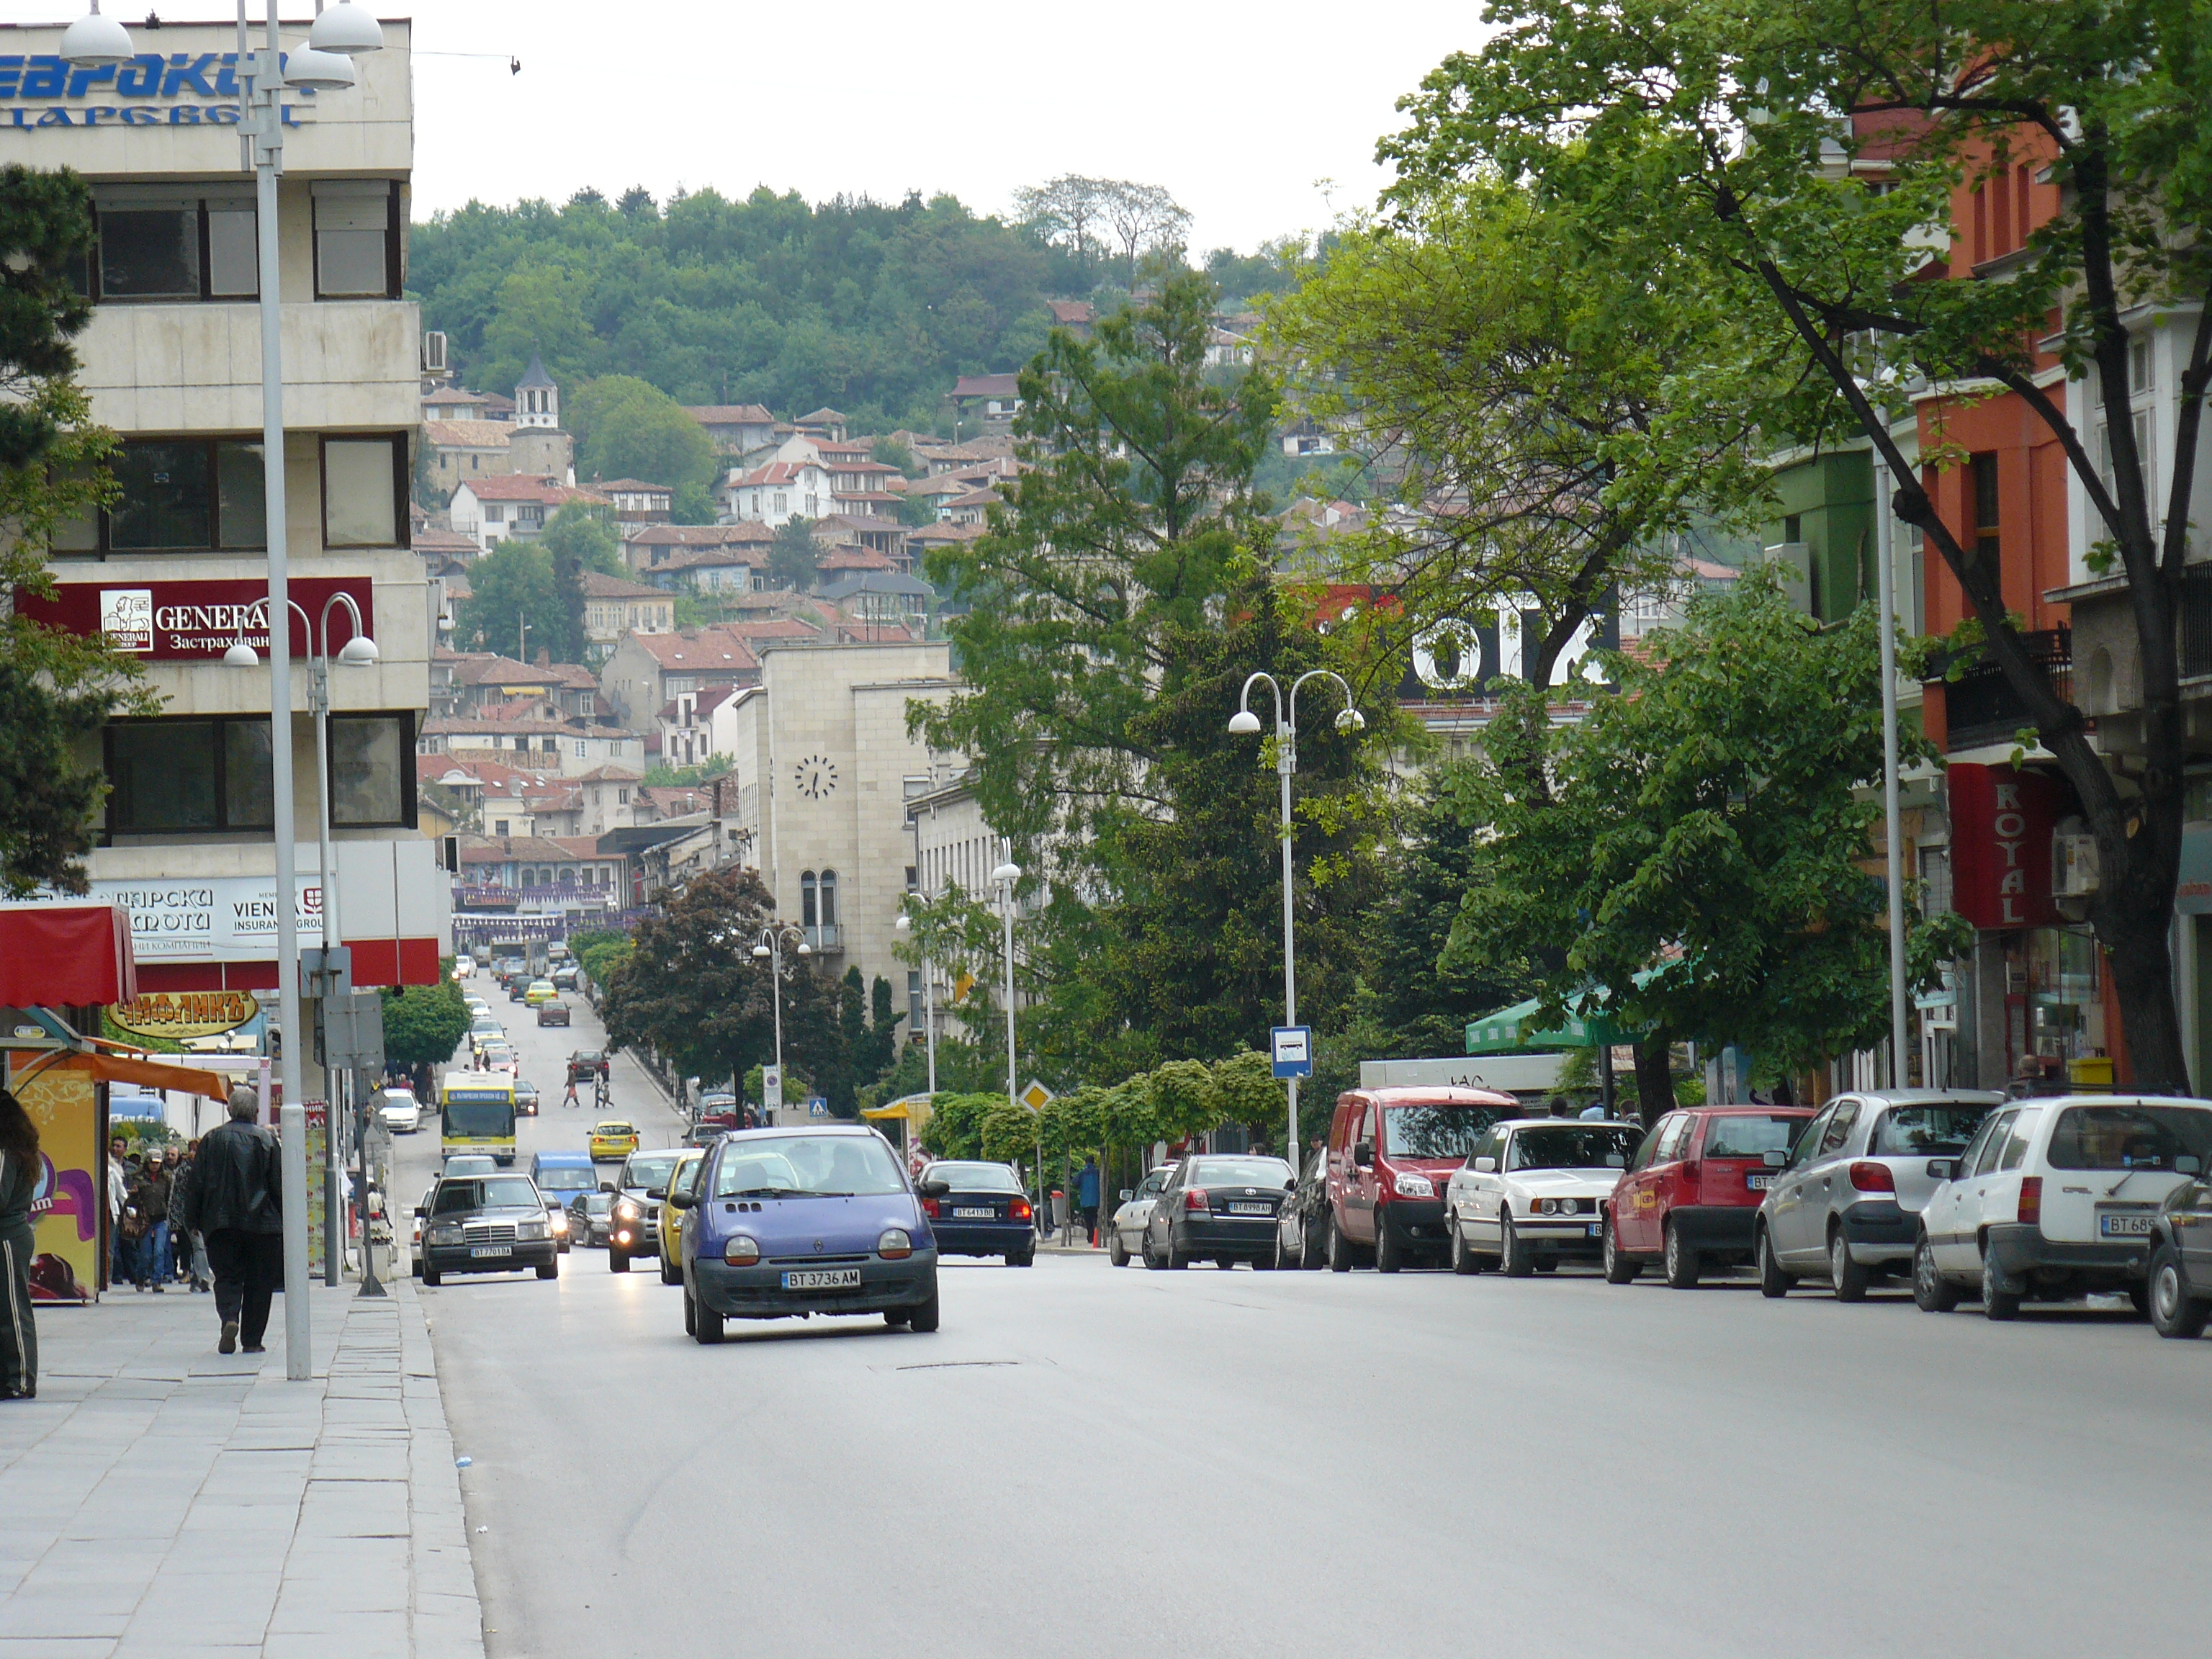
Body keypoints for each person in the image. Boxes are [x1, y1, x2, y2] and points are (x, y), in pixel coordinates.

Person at [172, 1087, 283, 1355]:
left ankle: (230, 1316)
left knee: (226, 1276)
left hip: (220, 1223)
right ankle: (253, 1340)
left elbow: (196, 1183)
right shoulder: (267, 1141)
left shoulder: (212, 1140)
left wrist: (192, 1219)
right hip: (262, 1225)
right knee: (260, 1281)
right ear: (256, 1112)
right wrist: (284, 1219)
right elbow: (278, 1184)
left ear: (230, 1110)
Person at [0, 1089, 42, 1398]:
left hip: (7, 1237)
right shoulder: (19, 1150)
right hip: (13, 1234)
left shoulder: (4, 1152)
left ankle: (22, 1380)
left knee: (13, 1310)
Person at [127, 1148, 174, 1292]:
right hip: (144, 1219)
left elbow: (168, 1198)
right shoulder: (137, 1178)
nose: (155, 1166)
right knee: (145, 1253)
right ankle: (140, 1278)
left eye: (158, 1163)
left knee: (159, 1251)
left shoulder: (166, 1178)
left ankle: (156, 1281)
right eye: (152, 1163)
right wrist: (134, 1195)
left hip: (160, 1218)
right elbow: (131, 1200)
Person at [106, 1134, 130, 1288]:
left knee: (109, 1248)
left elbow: (122, 1195)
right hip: (91, 1213)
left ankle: (106, 1278)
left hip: (109, 1214)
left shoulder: (112, 1171)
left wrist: (131, 1211)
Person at [1076, 1156, 1100, 1244]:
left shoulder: (1083, 1173)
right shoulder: (1097, 1172)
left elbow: (1075, 1182)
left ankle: (1090, 1237)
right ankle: (1095, 1236)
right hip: (1096, 1200)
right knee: (1095, 1218)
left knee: (1088, 1220)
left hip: (1085, 1201)